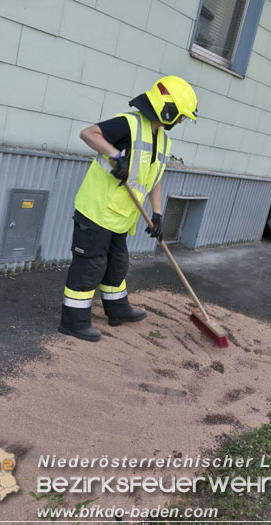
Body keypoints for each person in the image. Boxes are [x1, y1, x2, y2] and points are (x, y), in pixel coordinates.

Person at [58, 76, 198, 342]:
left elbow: (155, 180)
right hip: (97, 210)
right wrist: (116, 156)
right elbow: (88, 134)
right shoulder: (129, 124)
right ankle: (73, 322)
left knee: (117, 264)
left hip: (120, 216)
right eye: (181, 115)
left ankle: (117, 310)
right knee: (90, 266)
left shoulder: (163, 141)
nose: (181, 121)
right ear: (168, 109)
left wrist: (158, 214)